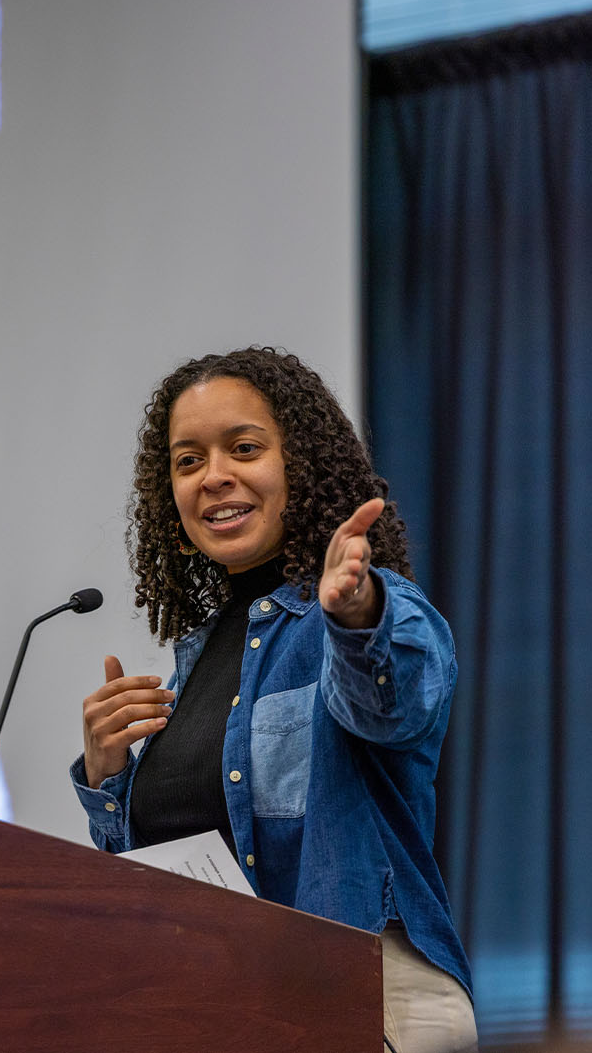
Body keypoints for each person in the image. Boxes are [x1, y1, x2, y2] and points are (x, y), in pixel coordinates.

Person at [70, 346, 477, 1053]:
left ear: (302, 464)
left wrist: (356, 618)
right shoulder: (193, 665)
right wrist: (109, 779)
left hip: (360, 1004)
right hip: (236, 1014)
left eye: (245, 448)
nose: (214, 476)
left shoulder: (364, 611)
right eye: (188, 460)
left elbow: (395, 703)